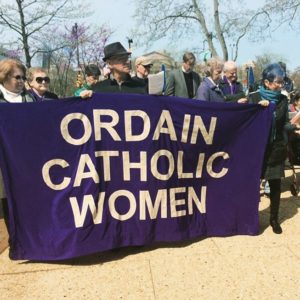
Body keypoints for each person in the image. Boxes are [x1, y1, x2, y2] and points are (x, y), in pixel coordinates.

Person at [248, 63, 300, 234]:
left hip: (277, 148)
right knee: (252, 185)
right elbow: (247, 124)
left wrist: (293, 127)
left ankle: (274, 218)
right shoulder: (254, 98)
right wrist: (261, 111)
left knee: (275, 185)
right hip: (257, 149)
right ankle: (251, 216)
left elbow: (284, 123)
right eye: (277, 82)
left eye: (282, 82)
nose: (280, 85)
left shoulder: (284, 100)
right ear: (267, 82)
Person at [0, 58, 37, 240]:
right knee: (7, 196)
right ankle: (15, 238)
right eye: (17, 77)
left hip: (27, 158)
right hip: (4, 159)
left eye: (23, 77)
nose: (22, 81)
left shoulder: (30, 98)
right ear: (4, 77)